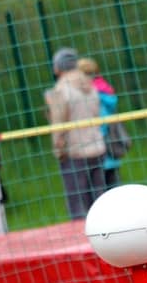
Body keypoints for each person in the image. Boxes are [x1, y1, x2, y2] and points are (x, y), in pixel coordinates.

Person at [44, 47, 105, 220]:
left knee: (78, 205)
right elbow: (96, 113)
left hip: (75, 152)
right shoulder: (90, 85)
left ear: (58, 67)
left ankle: (81, 236)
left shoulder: (61, 90)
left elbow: (58, 125)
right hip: (97, 147)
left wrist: (59, 150)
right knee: (99, 202)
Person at [79, 57, 122, 190]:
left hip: (99, 152)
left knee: (101, 191)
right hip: (111, 150)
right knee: (113, 187)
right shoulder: (105, 90)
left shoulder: (93, 95)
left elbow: (101, 125)